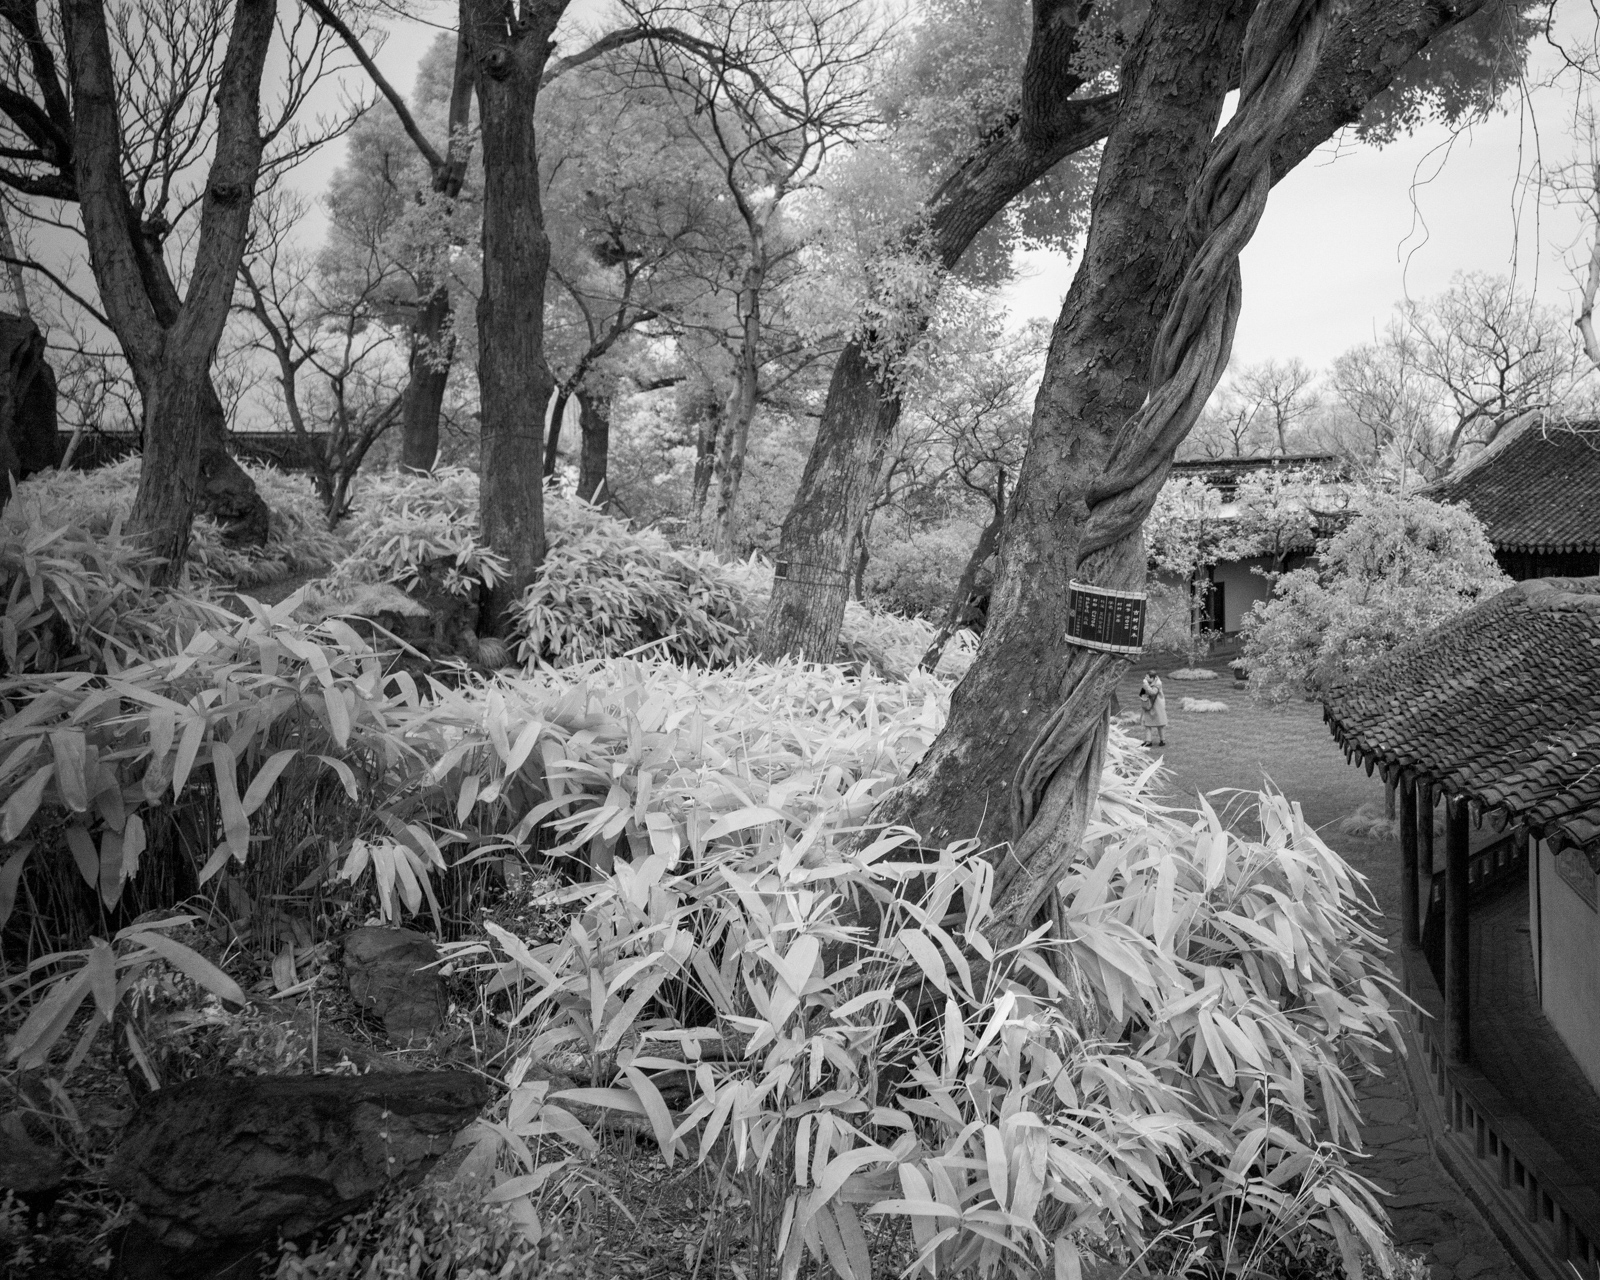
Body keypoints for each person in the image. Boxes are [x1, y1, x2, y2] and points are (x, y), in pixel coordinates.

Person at [1138, 673, 1167, 748]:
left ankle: (1162, 740)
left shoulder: (1157, 684)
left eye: (1147, 677)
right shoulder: (1148, 683)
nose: (1145, 678)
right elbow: (1143, 693)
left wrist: (1145, 685)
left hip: (1157, 707)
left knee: (1160, 724)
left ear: (1152, 678)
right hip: (1150, 706)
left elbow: (1153, 693)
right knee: (1147, 724)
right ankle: (1148, 741)